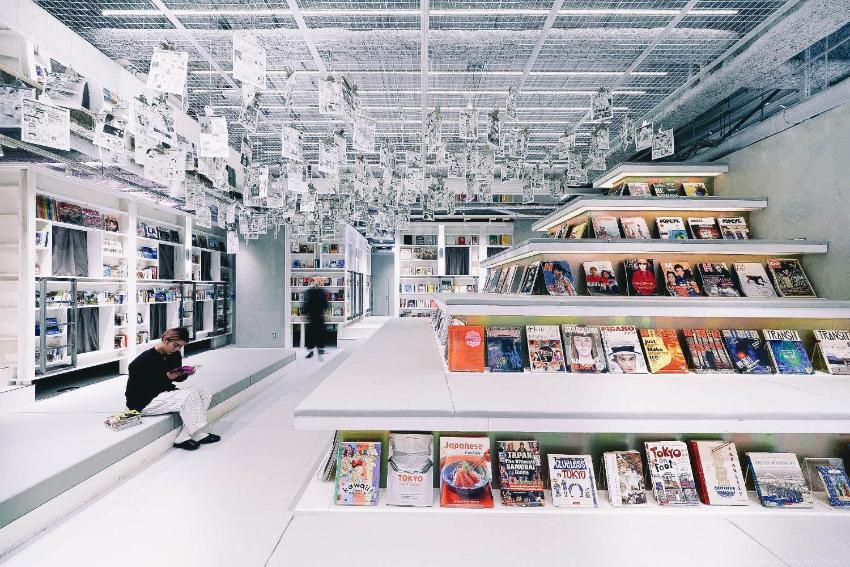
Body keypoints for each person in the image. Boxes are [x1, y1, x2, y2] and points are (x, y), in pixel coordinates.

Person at [125, 328, 219, 451]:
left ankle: (187, 435)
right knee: (190, 394)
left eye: (180, 347)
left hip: (163, 394)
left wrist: (184, 373)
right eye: (175, 345)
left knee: (203, 391)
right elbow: (140, 389)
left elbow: (176, 378)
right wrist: (166, 377)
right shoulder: (142, 361)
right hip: (143, 401)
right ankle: (195, 434)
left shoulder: (174, 354)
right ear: (165, 340)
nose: (177, 349)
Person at [304, 276, 329, 359]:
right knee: (311, 335)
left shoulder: (322, 292)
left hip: (319, 316)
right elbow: (306, 303)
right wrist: (305, 314)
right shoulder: (309, 291)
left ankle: (319, 349)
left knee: (319, 334)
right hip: (312, 316)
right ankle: (311, 351)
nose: (316, 283)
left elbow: (325, 304)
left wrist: (325, 313)